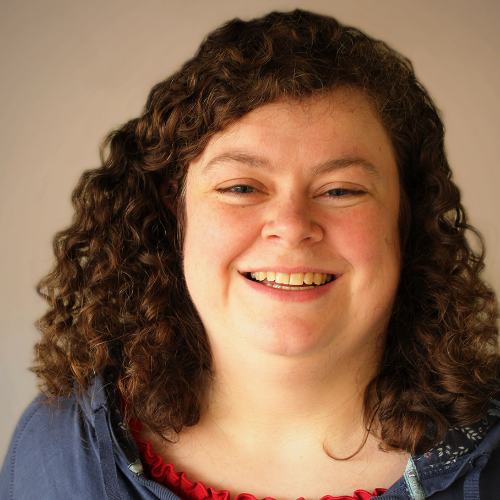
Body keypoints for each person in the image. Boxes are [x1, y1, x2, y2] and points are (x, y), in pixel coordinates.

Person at [1, 9, 499, 500]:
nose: (292, 226)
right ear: (176, 211)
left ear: (406, 216)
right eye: (241, 187)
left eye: (341, 190)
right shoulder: (58, 456)